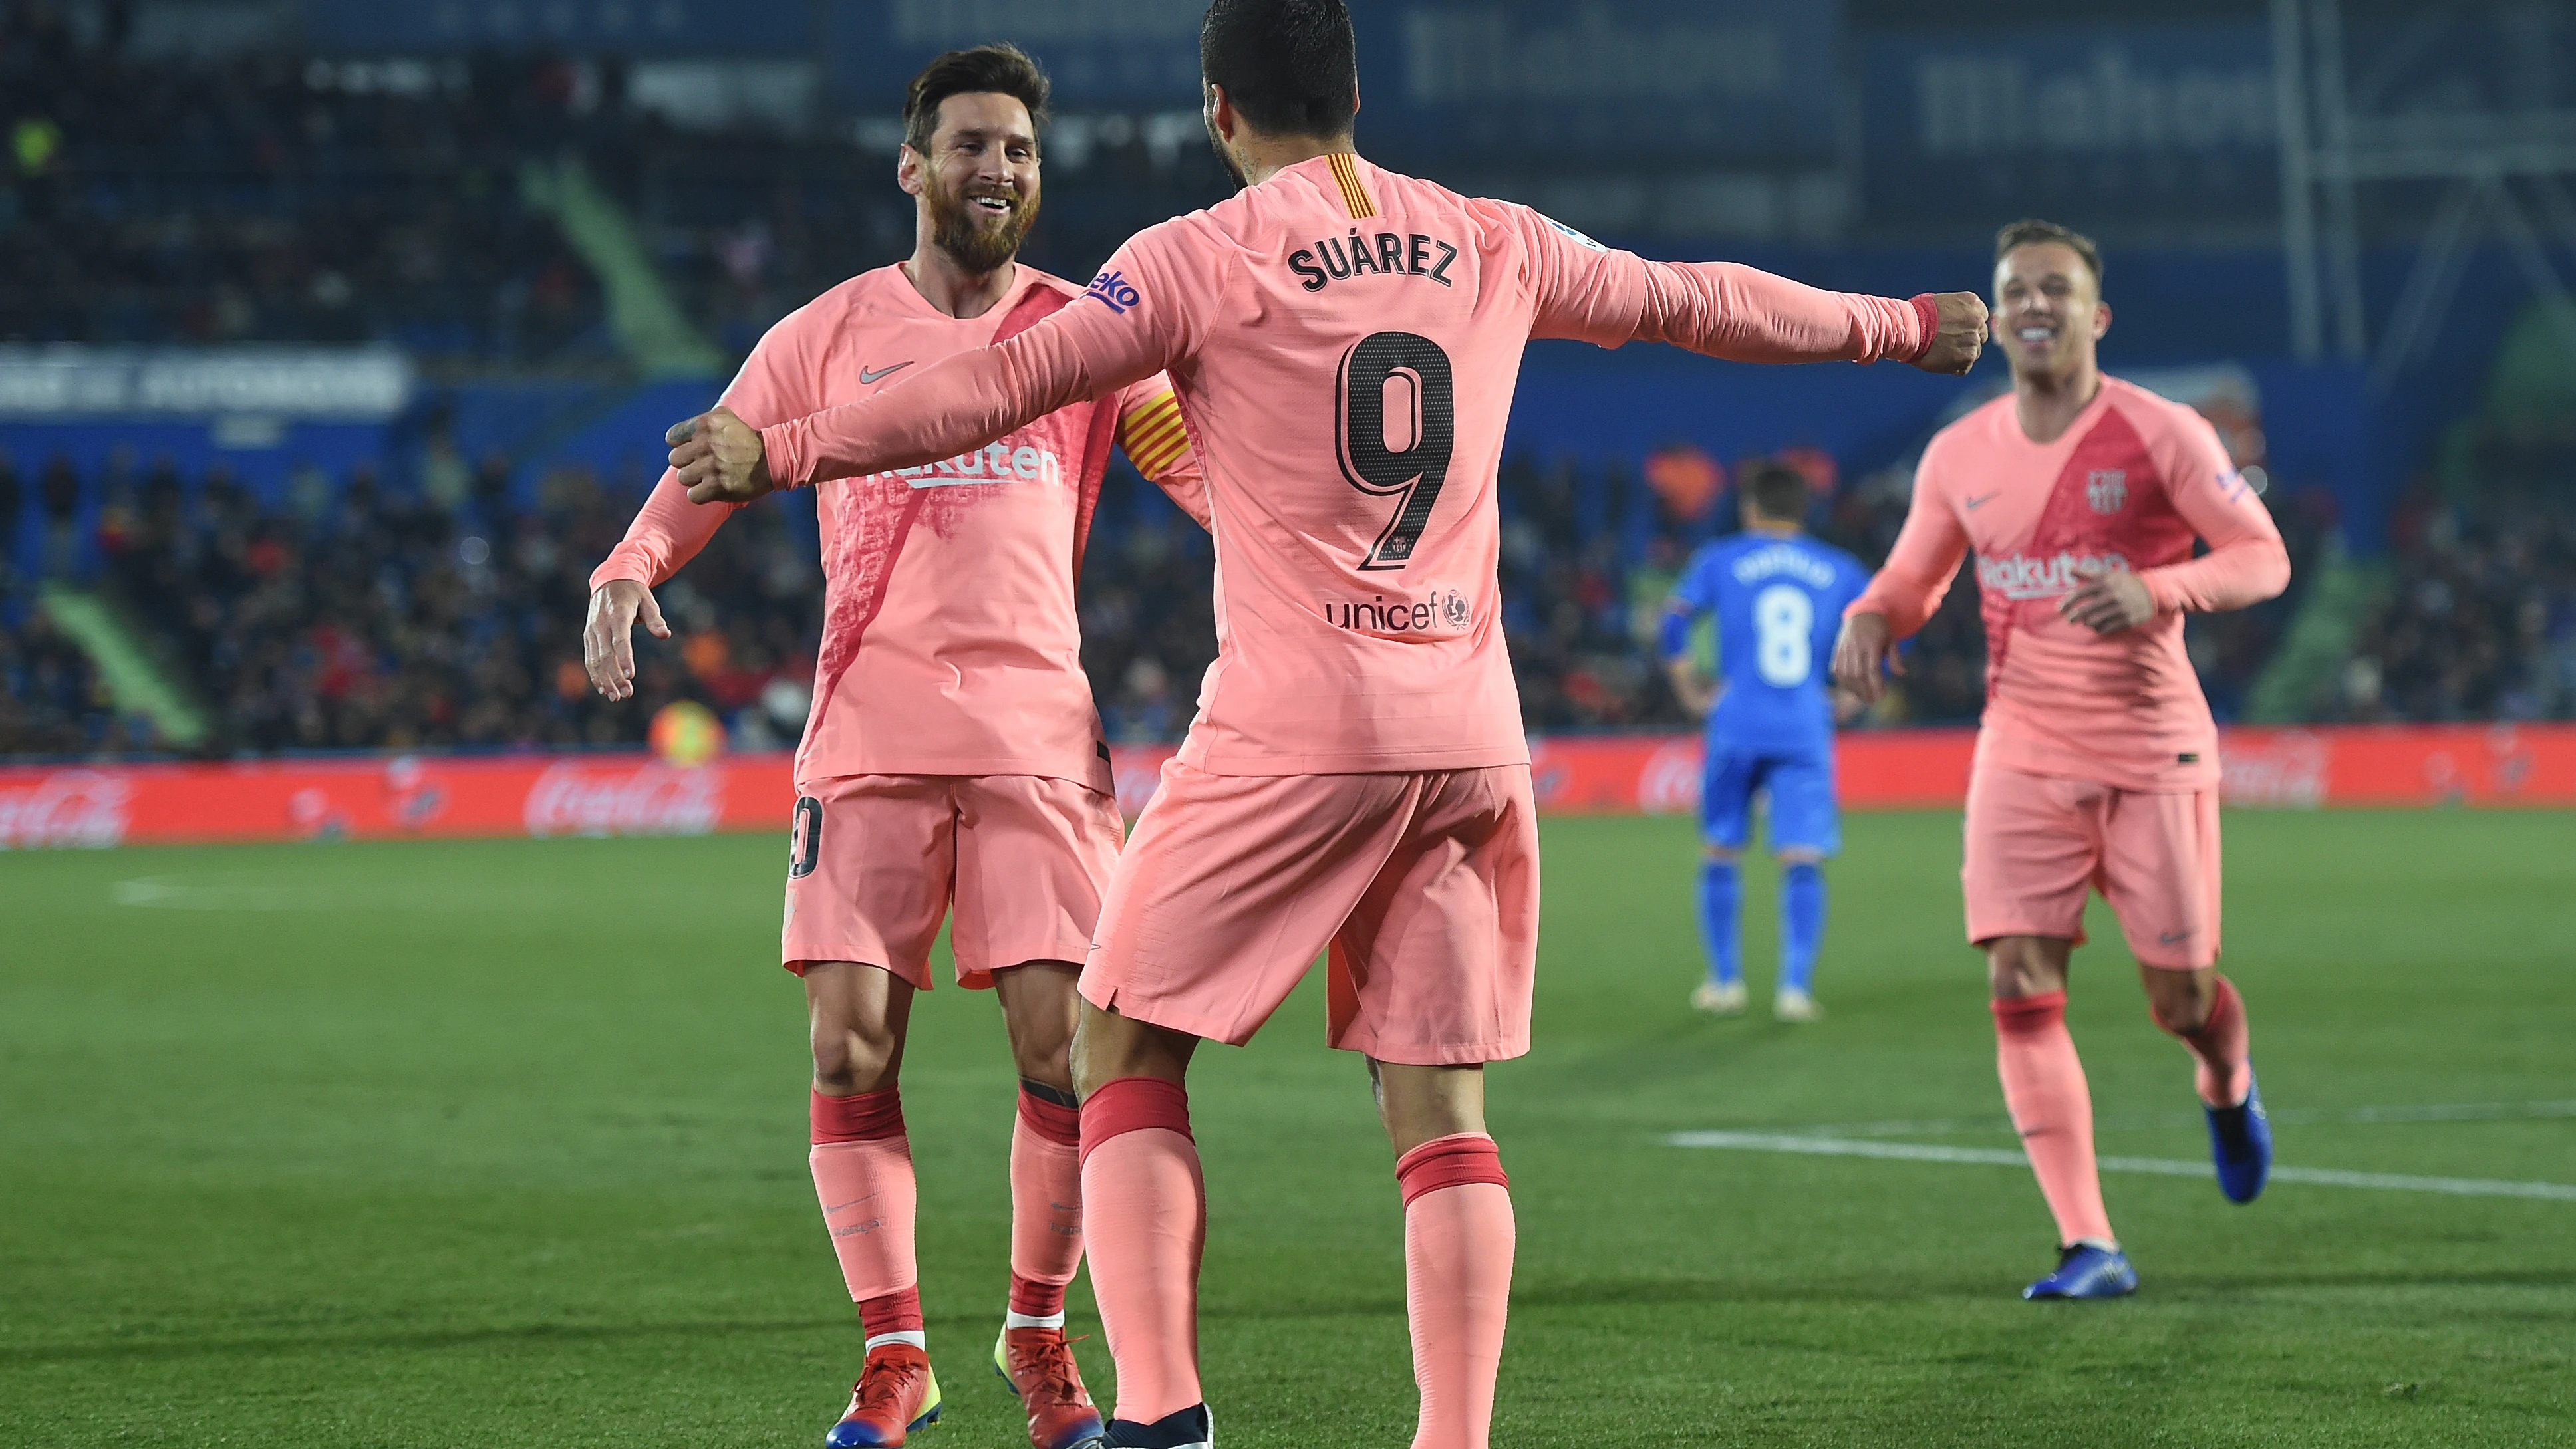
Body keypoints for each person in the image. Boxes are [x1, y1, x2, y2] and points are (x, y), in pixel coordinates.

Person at [661, 3, 1985, 1443]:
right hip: (1470, 738)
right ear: (1353, 98)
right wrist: (1899, 328)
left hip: (1295, 729)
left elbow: (994, 385)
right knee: (1441, 1114)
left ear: (1220, 112)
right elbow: (1694, 298)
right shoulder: (1494, 237)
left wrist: (784, 447)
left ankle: (1160, 1411)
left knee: (1118, 1042)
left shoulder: (1194, 256)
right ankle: (1452, 1436)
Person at [581, 45, 1206, 1449]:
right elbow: (718, 458)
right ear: (912, 165)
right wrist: (631, 560)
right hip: (867, 731)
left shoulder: (1089, 331)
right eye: (974, 146)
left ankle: (1038, 1338)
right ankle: (894, 1354)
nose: (1000, 171)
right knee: (851, 1046)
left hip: (1039, 741)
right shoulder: (827, 328)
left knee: (1064, 1058)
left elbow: (1198, 469)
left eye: (1022, 153)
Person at [1832, 219, 2289, 1301]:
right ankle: (2088, 1240)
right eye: (2014, 290)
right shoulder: (1958, 451)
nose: (2033, 304)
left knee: (2179, 996)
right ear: (1996, 316)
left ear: (2096, 315)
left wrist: (2159, 587)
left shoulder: (2159, 429)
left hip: (2150, 748)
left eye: (2055, 288)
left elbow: (2259, 556)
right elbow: (1913, 576)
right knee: (2016, 980)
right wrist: (1869, 612)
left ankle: (2223, 1080)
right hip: (2021, 751)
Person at [1659, 460, 1868, 1023]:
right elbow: (1880, 629)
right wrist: (1852, 693)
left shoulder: (1720, 559)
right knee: (1801, 855)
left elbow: (1674, 623)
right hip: (1804, 723)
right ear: (1804, 509)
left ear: (1750, 507)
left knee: (1721, 848)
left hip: (1735, 720)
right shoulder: (1839, 568)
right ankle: (1795, 988)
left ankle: (1724, 981)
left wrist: (1688, 688)